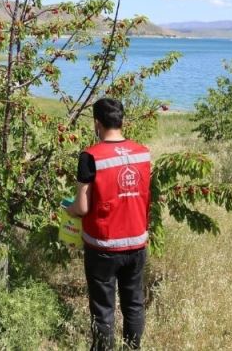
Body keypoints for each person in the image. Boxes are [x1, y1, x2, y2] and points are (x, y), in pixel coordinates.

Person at [67, 98, 151, 350]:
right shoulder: (143, 152)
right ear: (121, 121)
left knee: (103, 309)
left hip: (103, 246)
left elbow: (82, 207)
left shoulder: (90, 156)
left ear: (97, 123)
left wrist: (67, 210)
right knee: (134, 304)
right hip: (137, 242)